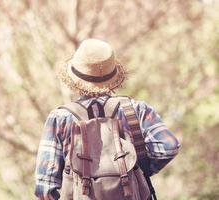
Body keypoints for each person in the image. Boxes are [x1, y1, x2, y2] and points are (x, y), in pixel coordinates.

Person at [34, 39, 180, 200]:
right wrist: (138, 169)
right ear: (114, 77)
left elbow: (45, 186)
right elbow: (169, 146)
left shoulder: (60, 118)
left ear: (75, 80)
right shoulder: (136, 110)